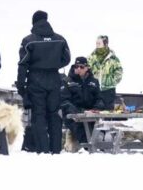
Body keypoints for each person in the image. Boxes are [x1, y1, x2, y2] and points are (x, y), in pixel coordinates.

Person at [17, 10, 71, 154]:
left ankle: (43, 149)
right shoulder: (60, 39)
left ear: (34, 22)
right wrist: (53, 65)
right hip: (54, 78)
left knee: (38, 115)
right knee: (54, 114)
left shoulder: (29, 40)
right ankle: (55, 149)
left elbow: (22, 64)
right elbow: (67, 58)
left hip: (36, 79)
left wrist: (21, 85)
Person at [60, 57, 103, 145]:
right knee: (83, 132)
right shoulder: (67, 81)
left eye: (81, 67)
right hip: (73, 116)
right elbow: (64, 101)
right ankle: (89, 149)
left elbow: (99, 99)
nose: (78, 68)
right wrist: (80, 112)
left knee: (101, 130)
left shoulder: (94, 82)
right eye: (76, 66)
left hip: (91, 115)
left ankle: (100, 148)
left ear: (87, 68)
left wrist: (96, 109)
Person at [88, 35, 124, 110]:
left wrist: (111, 82)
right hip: (94, 89)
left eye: (99, 43)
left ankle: (107, 122)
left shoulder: (113, 58)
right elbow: (87, 71)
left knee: (108, 111)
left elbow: (119, 72)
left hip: (108, 90)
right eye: (96, 43)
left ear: (106, 44)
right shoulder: (91, 57)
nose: (97, 45)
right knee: (94, 110)